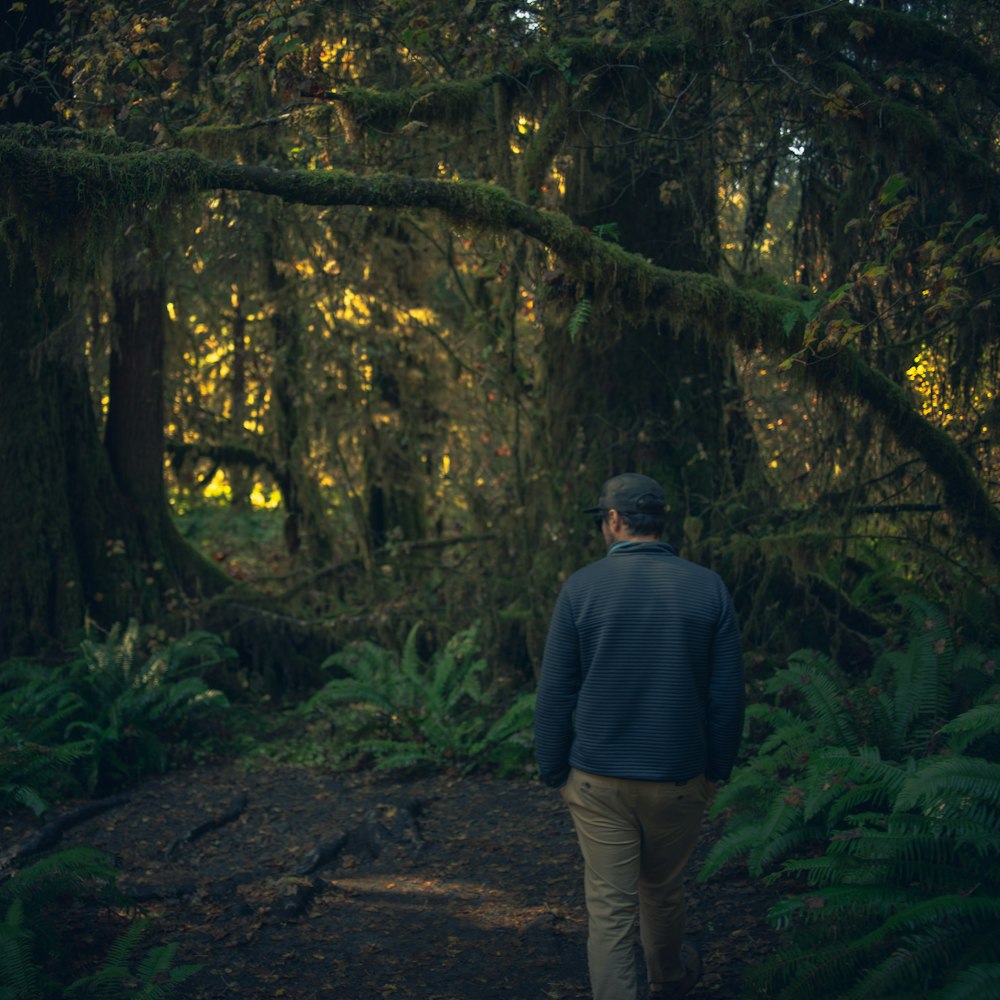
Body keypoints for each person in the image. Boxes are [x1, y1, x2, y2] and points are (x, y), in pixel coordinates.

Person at [534, 473, 745, 1000]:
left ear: (613, 521)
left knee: (609, 909)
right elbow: (727, 697)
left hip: (598, 779)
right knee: (664, 890)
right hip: (678, 775)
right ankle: (667, 978)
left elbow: (556, 690)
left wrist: (553, 769)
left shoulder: (581, 588)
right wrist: (718, 769)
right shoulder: (707, 587)